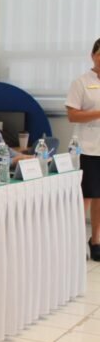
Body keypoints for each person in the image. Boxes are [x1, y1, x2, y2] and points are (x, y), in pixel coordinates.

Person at [66, 37, 100, 260]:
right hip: (87, 148)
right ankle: (75, 242)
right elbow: (72, 115)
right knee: (85, 197)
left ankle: (95, 240)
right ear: (93, 55)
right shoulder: (81, 82)